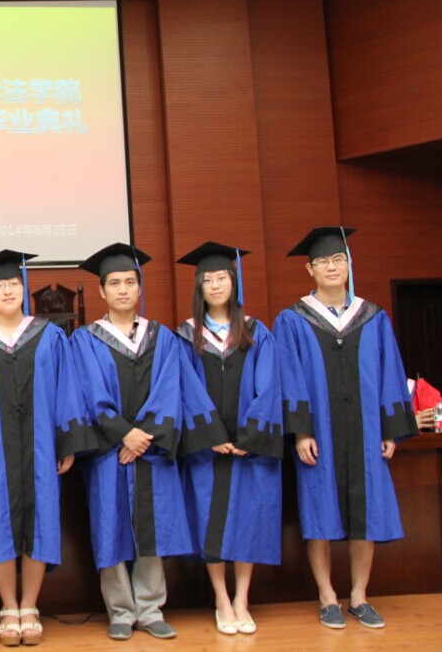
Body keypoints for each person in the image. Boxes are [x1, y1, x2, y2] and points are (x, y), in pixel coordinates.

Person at [70, 242, 226, 642]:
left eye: (130, 282)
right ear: (102, 291)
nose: (123, 289)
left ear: (140, 288)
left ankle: (151, 609)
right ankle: (120, 611)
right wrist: (123, 433)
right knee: (110, 528)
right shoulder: (86, 340)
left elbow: (171, 389)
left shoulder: (163, 338)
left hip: (153, 450)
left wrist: (143, 437)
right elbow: (88, 391)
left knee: (154, 527)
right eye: (114, 283)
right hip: (108, 452)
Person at [0, 250, 95, 646]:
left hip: (42, 445)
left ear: (24, 287)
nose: (7, 291)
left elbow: (66, 390)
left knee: (41, 518)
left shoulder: (49, 335)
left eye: (13, 283)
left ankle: (30, 606)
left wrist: (66, 442)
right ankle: (8, 608)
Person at [274, 227, 417, 630]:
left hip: (366, 431)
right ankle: (326, 597)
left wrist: (389, 429)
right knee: (318, 511)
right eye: (323, 262)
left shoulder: (373, 318)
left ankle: (359, 596)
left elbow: (390, 374)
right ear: (310, 270)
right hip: (319, 434)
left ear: (349, 264)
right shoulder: (293, 320)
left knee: (365, 513)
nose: (332, 267)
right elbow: (289, 377)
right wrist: (301, 431)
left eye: (338, 259)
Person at [174, 243, 283, 636]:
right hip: (209, 450)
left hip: (248, 449)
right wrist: (212, 435)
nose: (216, 285)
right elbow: (185, 387)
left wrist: (249, 436)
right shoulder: (186, 336)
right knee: (211, 520)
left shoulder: (256, 332)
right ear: (199, 288)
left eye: (222, 278)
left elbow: (269, 387)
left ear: (234, 283)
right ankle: (221, 598)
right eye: (208, 280)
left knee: (247, 520)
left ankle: (242, 599)